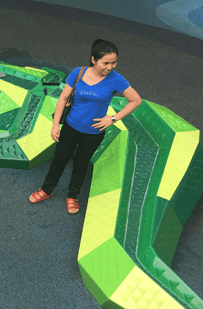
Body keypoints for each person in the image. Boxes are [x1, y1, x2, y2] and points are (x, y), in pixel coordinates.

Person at [29, 39, 142, 214]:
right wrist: (55, 125)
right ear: (93, 59)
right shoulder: (78, 73)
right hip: (70, 126)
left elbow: (136, 100)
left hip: (94, 132)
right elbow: (63, 98)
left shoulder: (116, 79)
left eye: (114, 62)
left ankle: (72, 196)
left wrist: (113, 118)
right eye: (106, 63)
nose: (110, 67)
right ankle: (46, 190)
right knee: (59, 160)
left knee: (81, 164)